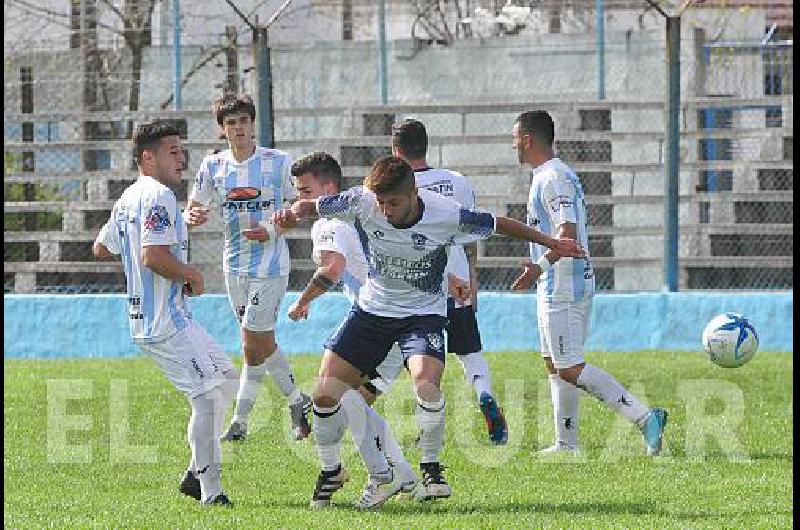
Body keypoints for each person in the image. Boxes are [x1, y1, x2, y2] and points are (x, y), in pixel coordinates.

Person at [272, 156, 584, 508]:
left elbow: (500, 224)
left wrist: (551, 243)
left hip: (423, 314)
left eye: (394, 202)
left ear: (413, 193)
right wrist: (293, 212)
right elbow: (312, 204)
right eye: (381, 203)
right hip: (373, 309)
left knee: (425, 383)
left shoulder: (445, 213)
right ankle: (333, 472)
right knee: (325, 394)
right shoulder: (362, 200)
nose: (386, 211)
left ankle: (431, 468)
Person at [92, 121, 237, 506]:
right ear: (147, 157)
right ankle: (211, 492)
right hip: (163, 320)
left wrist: (153, 262)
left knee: (225, 380)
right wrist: (189, 272)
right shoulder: (158, 195)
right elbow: (152, 256)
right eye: (172, 150)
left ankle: (195, 473)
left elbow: (101, 248)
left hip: (164, 315)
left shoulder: (128, 198)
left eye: (180, 149)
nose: (180, 156)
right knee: (207, 398)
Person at [509, 110, 668, 455]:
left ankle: (644, 416)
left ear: (526, 140)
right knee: (555, 364)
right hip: (556, 284)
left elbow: (566, 235)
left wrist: (538, 267)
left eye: (514, 139)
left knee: (569, 365)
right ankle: (566, 443)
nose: (512, 146)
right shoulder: (549, 174)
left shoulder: (553, 178)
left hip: (563, 286)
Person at [284, 152, 419, 508]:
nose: (300, 199)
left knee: (336, 397)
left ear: (328, 188)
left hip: (379, 323)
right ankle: (400, 473)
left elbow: (333, 266)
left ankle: (377, 475)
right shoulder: (360, 215)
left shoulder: (328, 223)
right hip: (398, 322)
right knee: (353, 401)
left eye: (305, 190)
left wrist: (303, 301)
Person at [182, 93, 311, 442]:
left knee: (253, 338)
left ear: (253, 124)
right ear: (222, 130)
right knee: (254, 345)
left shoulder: (278, 161)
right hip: (233, 265)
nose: (238, 128)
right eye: (231, 123)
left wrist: (273, 227)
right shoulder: (213, 166)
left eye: (243, 121)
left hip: (270, 265)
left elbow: (302, 204)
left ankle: (251, 417)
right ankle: (290, 405)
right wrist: (189, 216)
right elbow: (193, 208)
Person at [391, 118, 509, 445]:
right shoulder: (457, 181)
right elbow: (471, 238)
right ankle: (484, 393)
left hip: (417, 286)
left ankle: (428, 428)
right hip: (458, 279)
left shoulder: (394, 187)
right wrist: (473, 281)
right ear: (426, 146)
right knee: (469, 351)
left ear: (395, 151)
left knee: (420, 360)